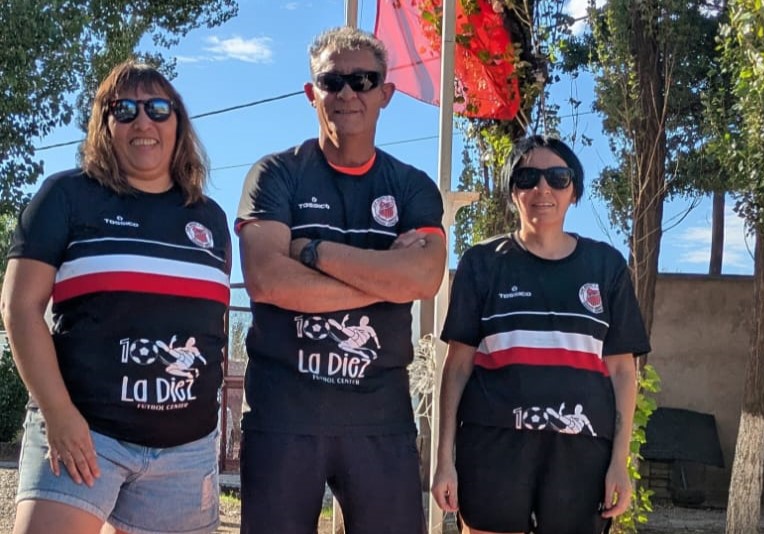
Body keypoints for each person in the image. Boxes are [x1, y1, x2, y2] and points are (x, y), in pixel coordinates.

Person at [2, 60, 230, 534]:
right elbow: (19, 308)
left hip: (184, 451)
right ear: (104, 125)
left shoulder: (209, 218)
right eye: (124, 109)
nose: (142, 122)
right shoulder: (66, 196)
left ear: (178, 122)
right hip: (84, 432)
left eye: (157, 108)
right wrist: (58, 414)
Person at [235, 26, 446, 534]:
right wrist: (385, 279)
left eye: (363, 80)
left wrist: (312, 251)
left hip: (379, 417)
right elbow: (267, 281)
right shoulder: (275, 174)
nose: (348, 92)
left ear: (385, 93)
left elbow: (424, 276)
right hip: (284, 413)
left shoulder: (411, 186)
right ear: (313, 93)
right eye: (333, 81)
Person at [432, 134, 651, 534]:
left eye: (558, 177)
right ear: (512, 191)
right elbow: (458, 367)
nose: (542, 188)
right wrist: (444, 460)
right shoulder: (482, 264)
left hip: (582, 452)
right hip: (493, 446)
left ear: (574, 191)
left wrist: (619, 462)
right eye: (527, 177)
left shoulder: (606, 267)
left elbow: (622, 371)